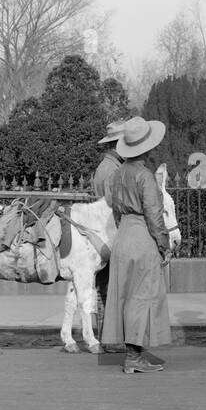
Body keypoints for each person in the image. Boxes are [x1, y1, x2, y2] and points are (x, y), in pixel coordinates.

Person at [101, 117, 173, 374]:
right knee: (142, 297)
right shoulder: (145, 176)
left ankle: (132, 354)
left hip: (123, 236)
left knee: (125, 296)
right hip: (142, 237)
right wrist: (164, 245)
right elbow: (154, 215)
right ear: (148, 147)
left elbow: (114, 209)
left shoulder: (117, 173)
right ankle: (134, 357)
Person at [90, 119, 126, 350]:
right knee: (110, 288)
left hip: (101, 234)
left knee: (104, 287)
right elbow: (116, 207)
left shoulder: (103, 167)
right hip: (110, 234)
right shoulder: (113, 171)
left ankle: (105, 336)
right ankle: (110, 338)